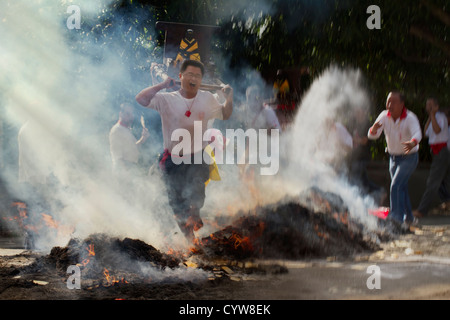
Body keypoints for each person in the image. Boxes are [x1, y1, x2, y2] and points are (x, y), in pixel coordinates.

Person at [135, 59, 233, 242]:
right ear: (180, 76)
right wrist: (163, 85)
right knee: (177, 205)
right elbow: (141, 99)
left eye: (197, 75)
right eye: (190, 74)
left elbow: (225, 114)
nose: (194, 78)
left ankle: (194, 214)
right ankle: (191, 241)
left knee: (196, 191)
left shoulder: (207, 98)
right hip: (173, 160)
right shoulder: (166, 99)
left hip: (197, 157)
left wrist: (229, 98)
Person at [368, 91, 422, 228]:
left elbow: (418, 133)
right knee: (401, 187)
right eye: (388, 101)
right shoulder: (384, 116)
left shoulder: (410, 118)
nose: (389, 105)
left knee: (396, 185)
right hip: (393, 158)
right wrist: (373, 129)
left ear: (402, 104)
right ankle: (409, 218)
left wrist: (413, 143)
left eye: (393, 102)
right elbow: (372, 135)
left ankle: (396, 218)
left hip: (409, 157)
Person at [413, 98, 450, 218]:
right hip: (435, 152)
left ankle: (422, 210)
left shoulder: (441, 117)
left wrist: (433, 115)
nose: (427, 106)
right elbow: (425, 133)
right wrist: (430, 117)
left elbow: (437, 130)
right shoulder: (433, 117)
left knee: (433, 181)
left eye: (430, 105)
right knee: (445, 180)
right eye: (427, 104)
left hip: (441, 151)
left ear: (436, 106)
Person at [109, 102, 150, 176]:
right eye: (128, 114)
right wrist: (126, 174)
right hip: (123, 171)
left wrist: (142, 139)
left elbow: (131, 149)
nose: (131, 117)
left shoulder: (126, 129)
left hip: (131, 168)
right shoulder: (116, 130)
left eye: (132, 114)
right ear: (120, 114)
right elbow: (117, 157)